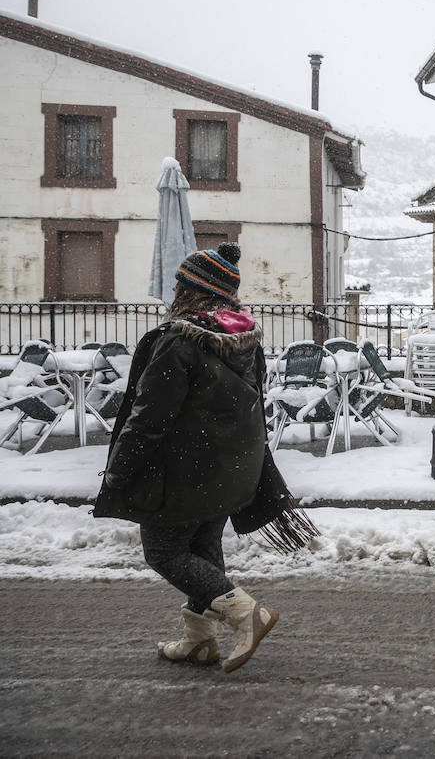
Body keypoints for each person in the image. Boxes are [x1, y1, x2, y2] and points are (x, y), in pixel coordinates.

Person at [93, 242, 280, 673]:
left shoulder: (178, 342)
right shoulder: (244, 339)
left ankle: (244, 612)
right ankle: (199, 642)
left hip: (184, 473)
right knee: (201, 546)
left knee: (164, 553)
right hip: (231, 468)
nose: (174, 289)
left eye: (179, 282)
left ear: (192, 290)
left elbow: (148, 418)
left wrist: (119, 473)